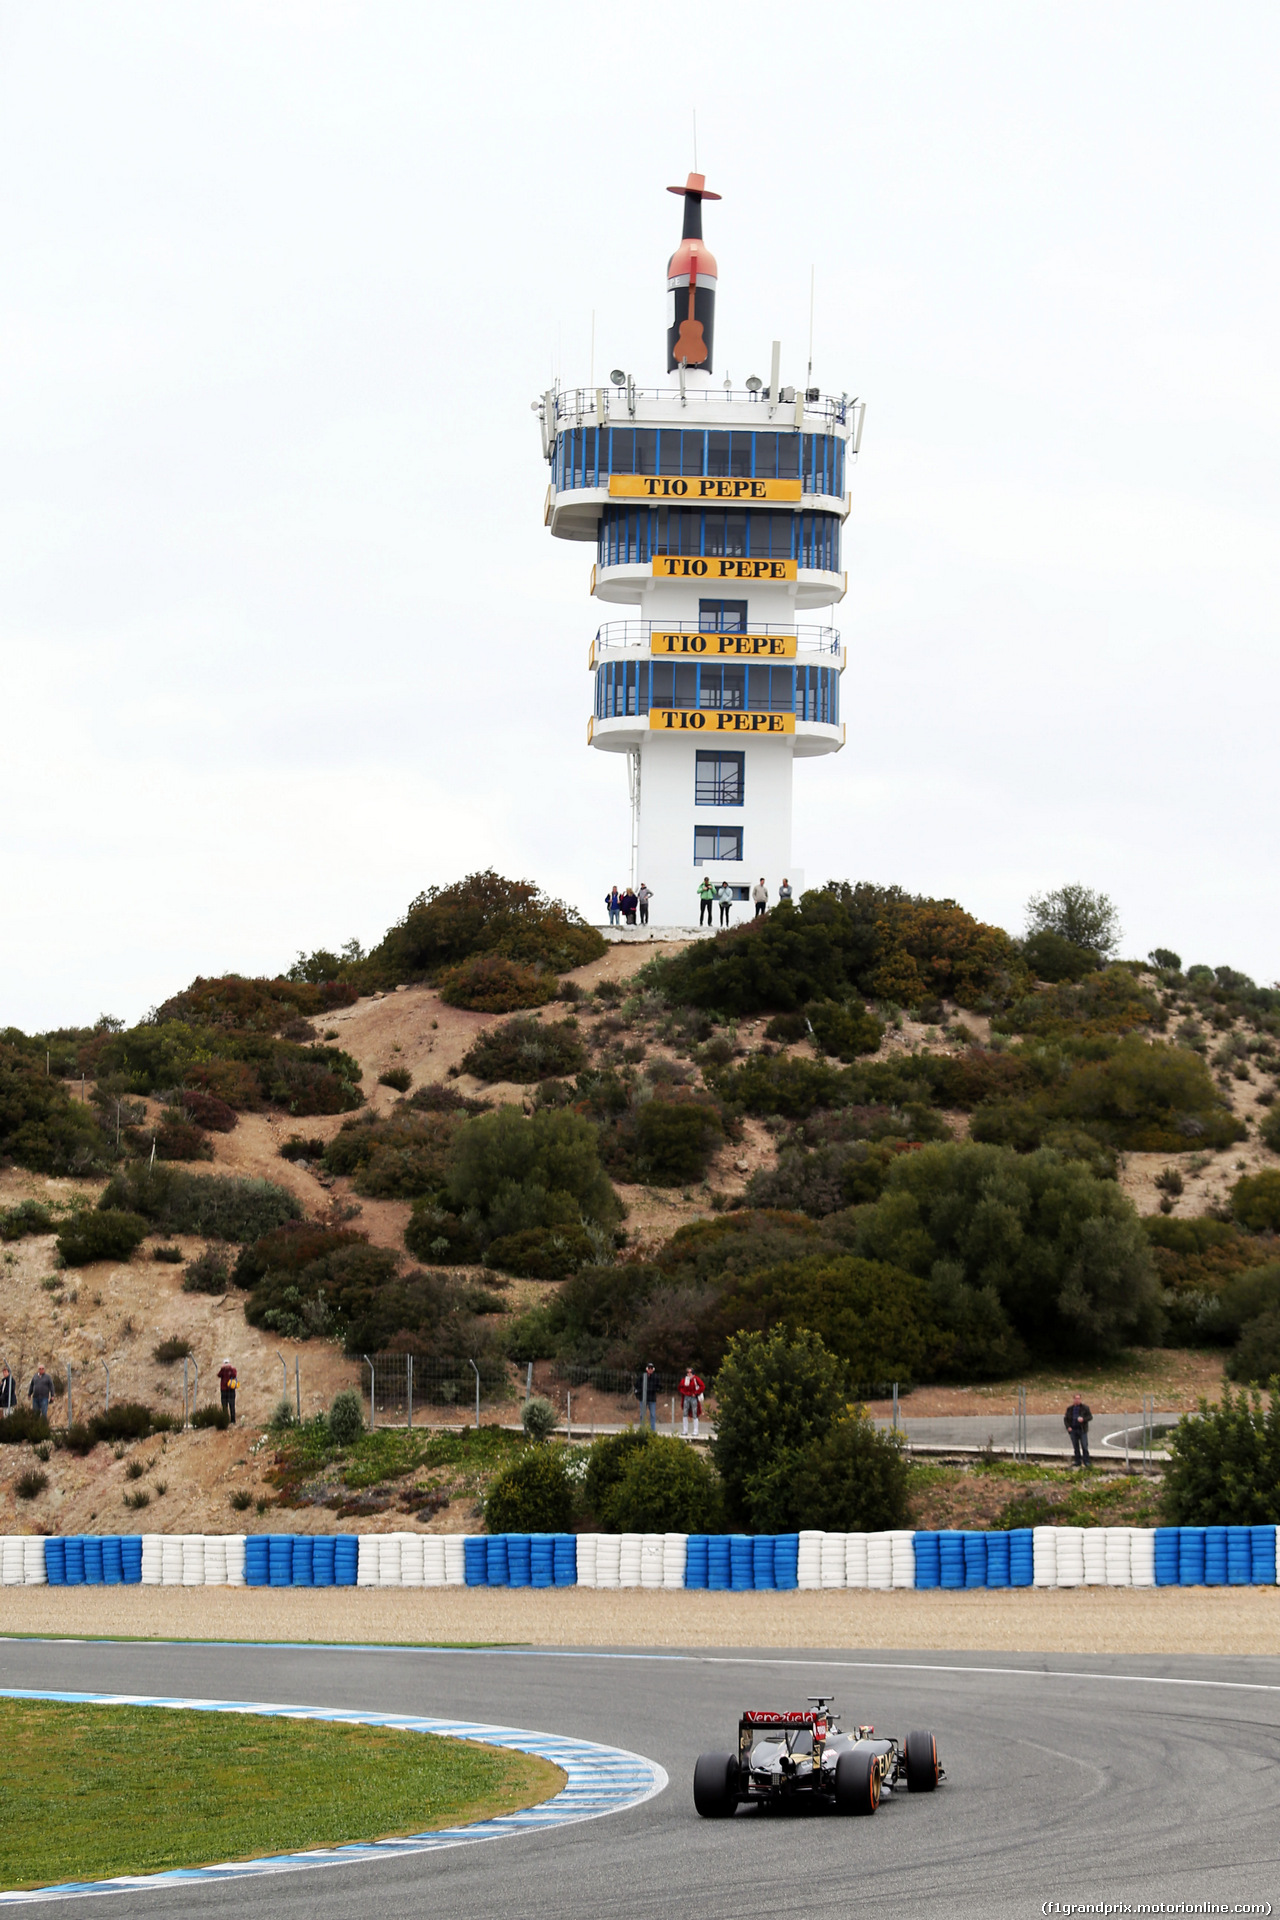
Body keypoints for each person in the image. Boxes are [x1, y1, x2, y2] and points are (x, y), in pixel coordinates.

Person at [678, 1364, 706, 1439]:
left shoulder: (696, 1379)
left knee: (695, 1413)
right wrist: (684, 1393)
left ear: (693, 1373)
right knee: (685, 1413)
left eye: (690, 1372)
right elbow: (680, 1387)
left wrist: (696, 1393)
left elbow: (702, 1386)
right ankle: (685, 1430)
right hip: (686, 1398)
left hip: (694, 1398)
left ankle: (696, 1430)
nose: (688, 1374)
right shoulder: (685, 1380)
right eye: (688, 1372)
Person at [1064, 1393, 1092, 1467]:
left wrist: (1083, 1419)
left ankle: (1086, 1461)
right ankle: (1077, 1461)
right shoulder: (1070, 1409)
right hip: (1073, 1430)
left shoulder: (1085, 1408)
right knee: (1076, 1446)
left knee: (1084, 1445)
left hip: (1082, 1430)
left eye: (1078, 1399)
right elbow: (1066, 1419)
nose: (1077, 1400)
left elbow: (1090, 1417)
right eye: (1076, 1399)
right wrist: (1068, 1427)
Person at [634, 1362, 660, 1431]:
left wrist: (653, 1390)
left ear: (653, 1369)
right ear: (647, 1369)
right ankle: (642, 1428)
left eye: (651, 1368)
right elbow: (637, 1386)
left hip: (652, 1399)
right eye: (649, 1368)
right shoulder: (642, 1377)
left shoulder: (656, 1377)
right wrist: (639, 1394)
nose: (650, 1369)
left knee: (653, 1415)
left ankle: (652, 1430)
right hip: (643, 1398)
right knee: (642, 1414)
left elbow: (659, 1387)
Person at [217, 1357, 238, 1425]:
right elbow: (219, 1375)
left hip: (231, 1390)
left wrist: (230, 1369)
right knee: (224, 1406)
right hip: (223, 1390)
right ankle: (225, 1419)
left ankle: (233, 1420)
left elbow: (234, 1375)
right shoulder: (223, 1371)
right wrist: (222, 1369)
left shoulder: (232, 1370)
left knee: (232, 1405)